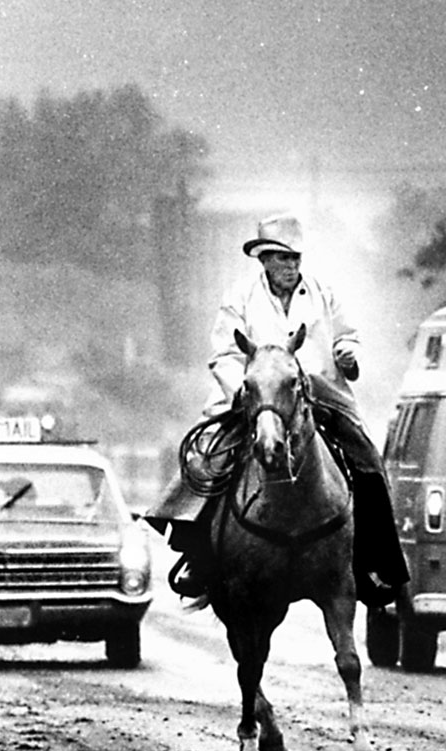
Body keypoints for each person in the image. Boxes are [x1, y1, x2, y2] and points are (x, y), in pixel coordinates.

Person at [155, 212, 409, 608]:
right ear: (264, 260)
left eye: (295, 259)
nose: (291, 267)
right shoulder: (239, 297)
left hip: (318, 392)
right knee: (207, 458)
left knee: (368, 460)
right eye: (283, 259)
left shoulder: (324, 292)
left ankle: (377, 566)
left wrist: (348, 355)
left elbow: (349, 336)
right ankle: (198, 558)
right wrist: (247, 392)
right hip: (257, 396)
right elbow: (223, 354)